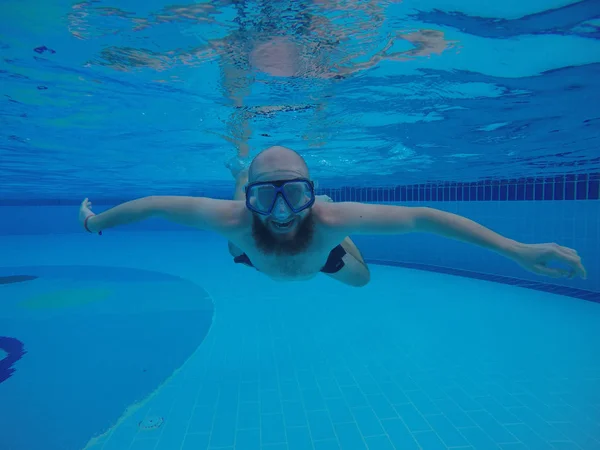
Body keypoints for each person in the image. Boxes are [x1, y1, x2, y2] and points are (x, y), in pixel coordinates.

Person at [79, 146, 587, 287]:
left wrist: (516, 250)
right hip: (250, 255)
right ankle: (240, 169)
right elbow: (151, 206)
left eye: (294, 195)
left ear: (313, 195)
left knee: (362, 282)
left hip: (320, 256)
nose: (281, 212)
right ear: (254, 198)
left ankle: (340, 250)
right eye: (266, 197)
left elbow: (424, 218)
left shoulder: (330, 217)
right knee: (235, 229)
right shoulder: (238, 218)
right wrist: (95, 222)